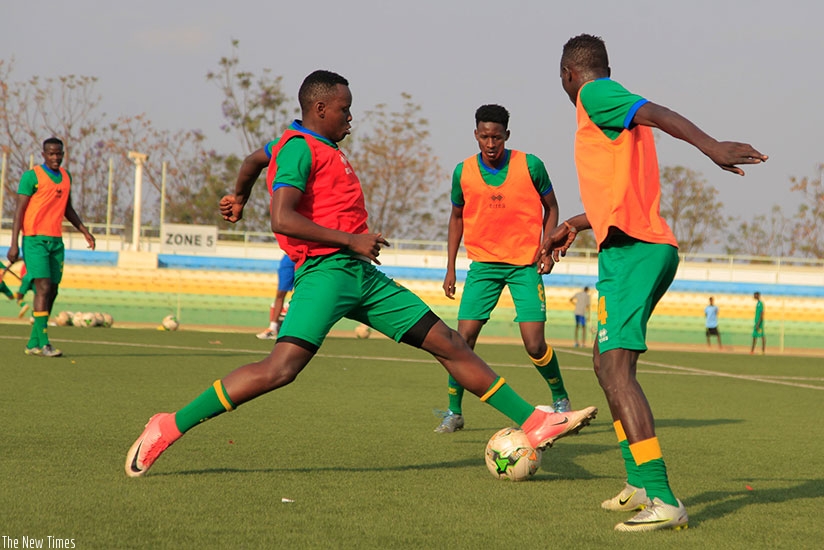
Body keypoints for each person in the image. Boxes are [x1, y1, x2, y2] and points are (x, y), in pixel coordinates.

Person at [126, 70, 598, 478]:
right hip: (325, 273)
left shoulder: (307, 144)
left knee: (450, 342)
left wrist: (240, 193)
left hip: (361, 276)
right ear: (319, 108)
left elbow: (253, 160)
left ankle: (536, 422)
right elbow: (282, 218)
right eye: (344, 109)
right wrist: (349, 239)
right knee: (280, 369)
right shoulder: (299, 149)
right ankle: (169, 425)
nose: (350, 117)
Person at [543, 34, 767, 532]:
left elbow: (658, 112)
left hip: (635, 253)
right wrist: (575, 224)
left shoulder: (594, 94)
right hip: (636, 248)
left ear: (568, 74)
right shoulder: (610, 110)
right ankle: (640, 483)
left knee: (616, 369)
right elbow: (619, 194)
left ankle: (663, 498)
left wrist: (710, 146)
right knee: (605, 363)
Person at [436, 104, 573, 434]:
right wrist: (450, 267)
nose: (490, 143)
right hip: (483, 266)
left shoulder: (531, 165)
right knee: (461, 341)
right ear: (476, 135)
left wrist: (546, 248)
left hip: (524, 265)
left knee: (534, 344)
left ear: (507, 135)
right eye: (484, 137)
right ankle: (454, 412)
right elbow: (456, 218)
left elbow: (551, 208)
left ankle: (560, 399)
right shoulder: (463, 172)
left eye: (496, 137)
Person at [6, 137, 96, 356]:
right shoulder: (31, 177)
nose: (56, 157)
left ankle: (33, 343)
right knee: (43, 287)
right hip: (35, 239)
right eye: (51, 154)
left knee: (53, 290)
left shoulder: (66, 177)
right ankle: (45, 342)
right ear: (44, 154)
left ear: (63, 154)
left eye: (59, 154)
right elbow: (19, 211)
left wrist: (84, 230)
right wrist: (14, 244)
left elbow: (67, 208)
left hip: (56, 241)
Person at [257, 254, 296, 340]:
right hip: (289, 257)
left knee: (301, 293)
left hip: (306, 258)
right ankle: (273, 328)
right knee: (280, 293)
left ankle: (297, 330)